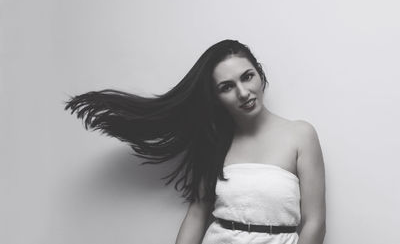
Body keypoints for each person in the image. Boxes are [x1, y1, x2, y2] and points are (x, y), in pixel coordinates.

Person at [64, 40, 326, 244]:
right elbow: (198, 212)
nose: (243, 93)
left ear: (260, 74)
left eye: (247, 76)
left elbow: (314, 222)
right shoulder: (216, 140)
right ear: (216, 97)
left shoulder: (300, 135)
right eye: (226, 86)